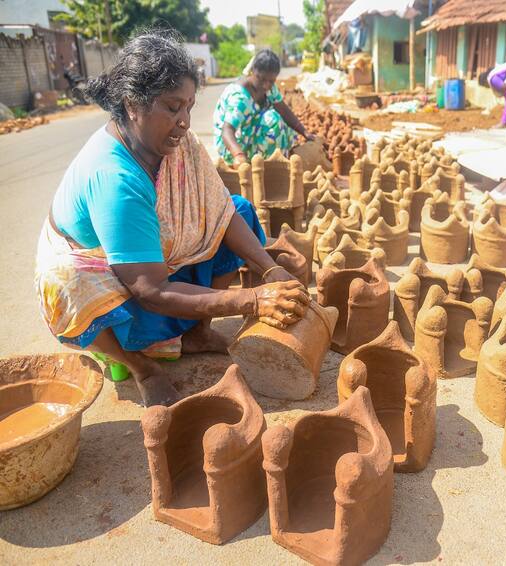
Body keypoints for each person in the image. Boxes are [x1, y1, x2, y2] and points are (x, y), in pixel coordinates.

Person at [35, 31, 310, 407]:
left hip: (149, 257)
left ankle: (198, 333)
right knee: (65, 283)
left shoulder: (176, 146)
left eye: (189, 107)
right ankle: (140, 367)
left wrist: (268, 269)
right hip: (106, 279)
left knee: (239, 209)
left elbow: (221, 211)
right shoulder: (115, 177)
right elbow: (150, 290)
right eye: (172, 107)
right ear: (133, 104)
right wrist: (253, 300)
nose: (184, 121)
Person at [213, 49, 314, 167]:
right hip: (232, 146)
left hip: (249, 134)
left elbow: (283, 109)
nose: (266, 85)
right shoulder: (240, 98)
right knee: (273, 120)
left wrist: (305, 132)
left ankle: (276, 164)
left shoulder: (269, 88)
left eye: (271, 81)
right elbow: (227, 131)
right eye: (261, 79)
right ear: (253, 72)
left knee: (284, 125)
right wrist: (239, 156)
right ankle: (266, 168)